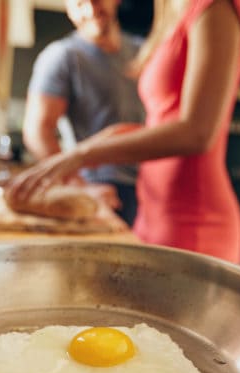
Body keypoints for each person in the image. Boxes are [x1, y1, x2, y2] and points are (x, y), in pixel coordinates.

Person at [7, 0, 240, 264]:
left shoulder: (215, 6)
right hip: (152, 210)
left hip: (191, 220)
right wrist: (78, 161)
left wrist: (81, 154)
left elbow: (198, 132)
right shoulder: (171, 9)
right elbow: (158, 124)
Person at [22, 0, 145, 226]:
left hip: (153, 188)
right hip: (102, 188)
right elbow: (37, 130)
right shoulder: (62, 57)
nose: (90, 10)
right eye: (79, 4)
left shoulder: (145, 52)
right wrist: (80, 187)